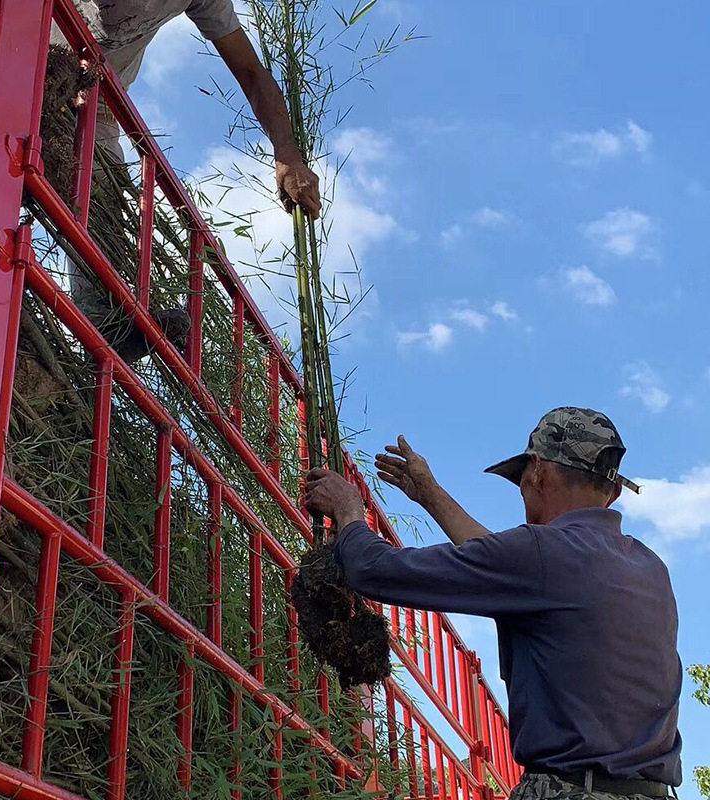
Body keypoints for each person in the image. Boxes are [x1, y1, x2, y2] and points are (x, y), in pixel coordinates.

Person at [305, 406, 682, 800]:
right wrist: (431, 496)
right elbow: (514, 568)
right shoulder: (651, 569)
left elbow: (374, 570)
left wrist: (348, 511)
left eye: (520, 479)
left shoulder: (542, 555)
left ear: (538, 471)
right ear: (614, 492)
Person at [52, 0, 321, 360]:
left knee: (102, 185)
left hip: (95, 98)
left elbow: (250, 71)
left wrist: (288, 155)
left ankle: (104, 322)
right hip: (27, 50)